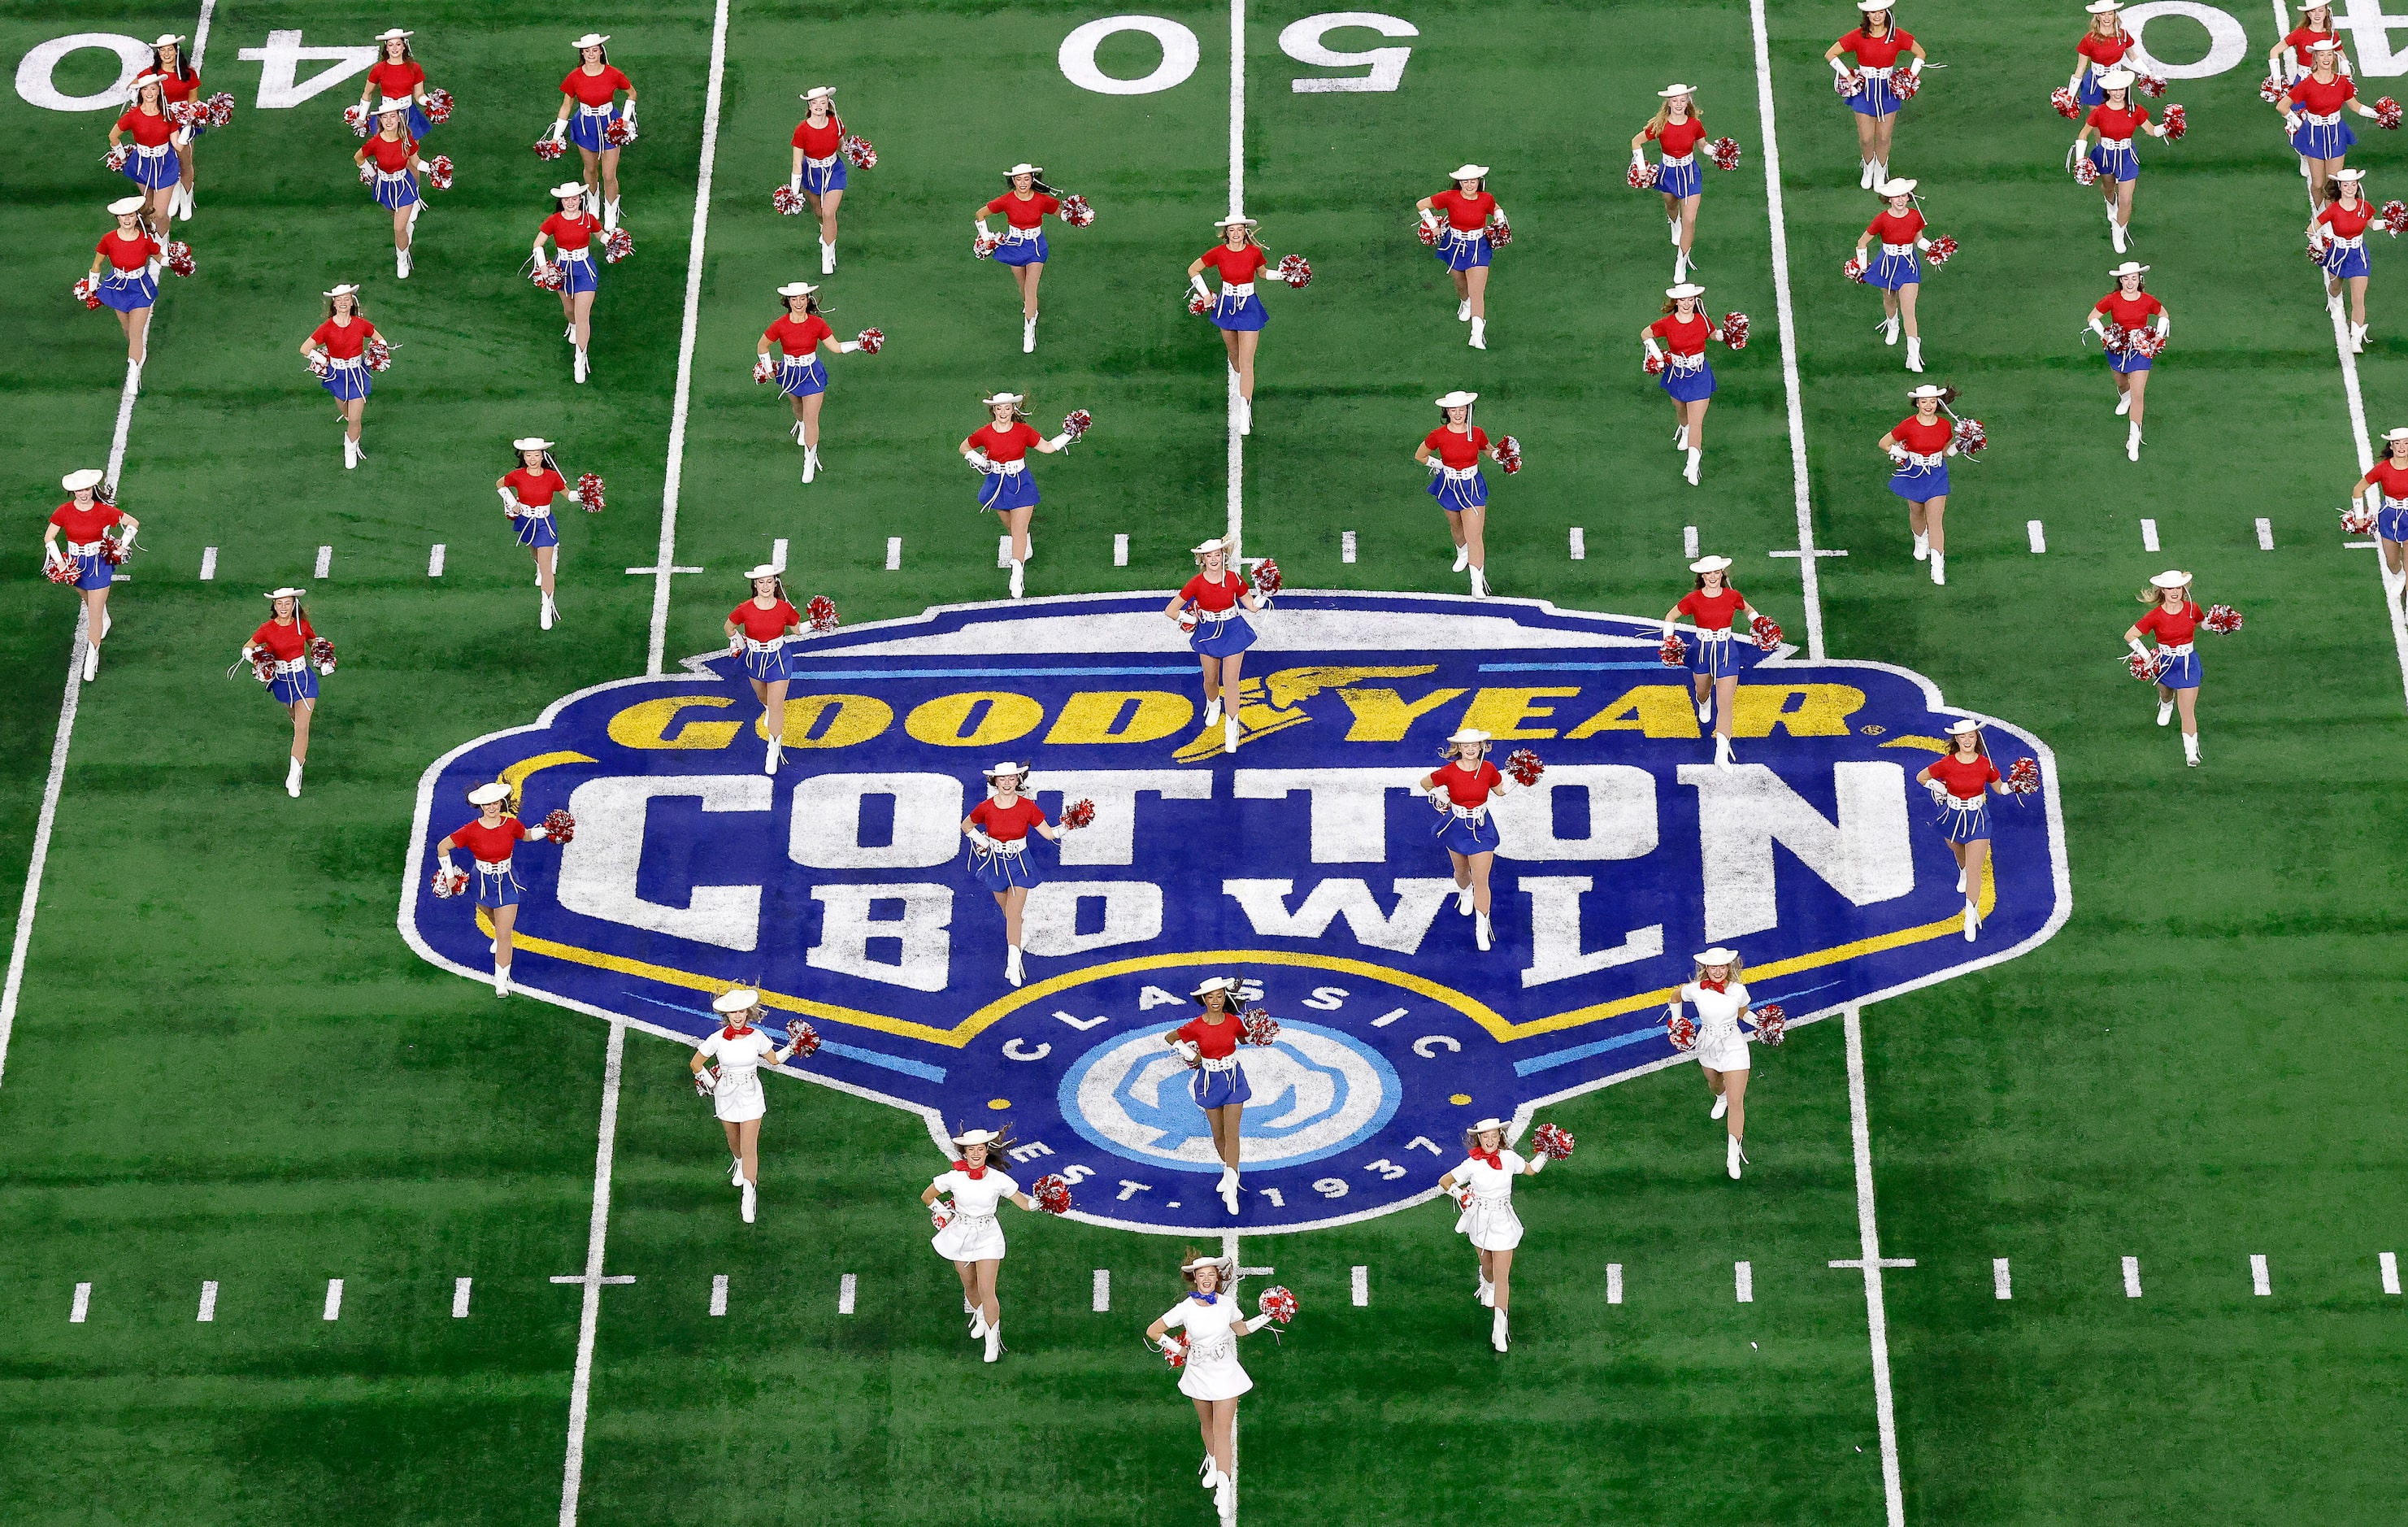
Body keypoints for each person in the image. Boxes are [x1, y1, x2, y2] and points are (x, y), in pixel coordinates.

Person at [1145, 1251, 1283, 1512]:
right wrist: (1179, 1349)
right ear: (1194, 1279)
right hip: (1198, 1372)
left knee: (1222, 1430)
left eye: (1211, 1275)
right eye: (1201, 1275)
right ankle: (1211, 1459)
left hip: (1225, 1372)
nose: (1207, 1280)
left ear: (1217, 1277)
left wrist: (1269, 1315)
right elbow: (1154, 1331)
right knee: (1207, 1425)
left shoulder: (1227, 1304)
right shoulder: (1184, 1308)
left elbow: (1240, 1330)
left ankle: (1224, 1491)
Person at [920, 1126, 1050, 1363]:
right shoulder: (953, 1177)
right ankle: (980, 1315)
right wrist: (945, 1213)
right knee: (969, 1283)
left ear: (987, 1151)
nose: (977, 1154)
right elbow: (927, 1197)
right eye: (972, 1150)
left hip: (988, 1235)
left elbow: (1023, 1203)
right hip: (960, 1232)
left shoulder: (998, 1179)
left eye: (981, 1149)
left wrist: (1043, 1202)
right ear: (965, 1152)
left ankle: (992, 1342)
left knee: (987, 1290)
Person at [688, 988, 812, 1224]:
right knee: (735, 1144)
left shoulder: (757, 1037)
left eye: (742, 1011)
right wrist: (710, 1082)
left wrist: (794, 1047)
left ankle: (748, 1194)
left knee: (749, 1146)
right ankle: (738, 1163)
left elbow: (773, 1060)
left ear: (748, 1013)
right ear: (727, 1014)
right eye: (733, 1011)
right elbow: (696, 1063)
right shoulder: (717, 1039)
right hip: (725, 1095)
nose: (737, 1016)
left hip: (751, 1096)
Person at [433, 780, 567, 996]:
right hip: (481, 883)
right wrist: (449, 876)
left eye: (495, 803)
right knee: (490, 914)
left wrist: (547, 830)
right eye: (487, 804)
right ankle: (499, 937)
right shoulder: (471, 830)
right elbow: (443, 847)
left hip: (507, 882)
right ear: (481, 807)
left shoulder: (510, 824)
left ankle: (501, 983)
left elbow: (526, 835)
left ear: (501, 802)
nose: (492, 807)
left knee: (504, 934)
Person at [1435, 1118, 1553, 1351]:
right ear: (1478, 1138)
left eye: (1493, 1135)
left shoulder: (1509, 1158)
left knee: (1502, 1277)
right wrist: (1462, 1196)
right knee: (1488, 1268)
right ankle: (1485, 1280)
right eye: (1484, 1136)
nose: (1489, 1140)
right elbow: (1444, 1181)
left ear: (1500, 1136)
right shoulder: (1471, 1164)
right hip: (1480, 1222)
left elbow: (1529, 1170)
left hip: (1503, 1223)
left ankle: (1500, 1329)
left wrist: (1547, 1152)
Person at [961, 393, 1083, 598]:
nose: (1003, 412)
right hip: (997, 484)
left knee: (1018, 529)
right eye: (999, 408)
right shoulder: (984, 433)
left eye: (1007, 408)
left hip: (1021, 483)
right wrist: (981, 462)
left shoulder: (1023, 431)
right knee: (1011, 527)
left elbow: (1047, 447)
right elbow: (964, 447)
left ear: (1013, 410)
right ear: (993, 411)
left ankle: (1016, 574)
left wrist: (1069, 434)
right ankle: (1025, 545)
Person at [958, 761, 1065, 988]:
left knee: (1014, 914)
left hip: (1020, 865)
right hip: (995, 864)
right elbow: (966, 825)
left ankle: (1013, 964)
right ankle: (1017, 942)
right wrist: (983, 842)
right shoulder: (985, 807)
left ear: (1018, 780)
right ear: (995, 781)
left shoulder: (1027, 807)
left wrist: (1070, 825)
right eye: (1003, 779)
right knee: (1009, 913)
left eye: (1011, 779)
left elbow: (1049, 833)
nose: (1007, 783)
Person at [1668, 946, 1771, 1178]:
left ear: (1728, 967)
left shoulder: (1738, 990)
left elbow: (1744, 1013)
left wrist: (1763, 1024)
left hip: (1734, 1045)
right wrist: (1677, 1024)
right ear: (1706, 968)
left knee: (1737, 1101)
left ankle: (1733, 1155)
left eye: (1722, 966)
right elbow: (1675, 997)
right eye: (1713, 967)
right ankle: (1719, 1096)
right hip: (1707, 1045)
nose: (1717, 971)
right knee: (1715, 1083)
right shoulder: (1696, 990)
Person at [756, 281, 872, 483]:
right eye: (794, 299)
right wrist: (768, 369)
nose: (799, 302)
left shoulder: (817, 324)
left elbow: (835, 347)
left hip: (812, 374)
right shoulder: (780, 325)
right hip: (790, 373)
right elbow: (762, 346)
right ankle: (799, 425)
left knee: (812, 419)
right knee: (797, 408)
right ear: (788, 301)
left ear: (807, 300)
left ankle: (809, 462)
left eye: (802, 298)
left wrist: (860, 344)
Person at [1420, 729, 1525, 952]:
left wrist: (1520, 778)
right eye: (1465, 746)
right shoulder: (1449, 771)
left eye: (1474, 745)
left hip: (1482, 828)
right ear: (1459, 748)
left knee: (1481, 879)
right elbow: (1425, 783)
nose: (1470, 749)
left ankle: (1481, 928)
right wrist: (1442, 797)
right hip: (1456, 826)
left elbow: (1500, 791)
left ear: (1481, 746)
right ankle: (1465, 893)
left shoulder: (1488, 769)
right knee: (1461, 872)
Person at [1163, 977, 1259, 1214]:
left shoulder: (1233, 1021)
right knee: (1219, 1136)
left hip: (1234, 1080)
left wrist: (1258, 1033)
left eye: (1219, 995)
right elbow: (1170, 1038)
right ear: (1204, 999)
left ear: (1225, 997)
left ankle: (1232, 1189)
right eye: (1211, 997)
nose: (1216, 1001)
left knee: (1232, 1133)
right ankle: (1228, 1175)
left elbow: (1243, 1039)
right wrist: (1192, 1055)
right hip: (1208, 1082)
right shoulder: (1195, 1026)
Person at [1163, 537, 1268, 755]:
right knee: (1210, 679)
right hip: (1208, 633)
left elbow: (1251, 606)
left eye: (1217, 555)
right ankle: (1213, 704)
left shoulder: (1234, 579)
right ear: (1203, 559)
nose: (1214, 559)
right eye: (1209, 556)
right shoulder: (1196, 583)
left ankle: (1232, 729)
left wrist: (1265, 593)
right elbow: (1171, 610)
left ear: (1223, 557)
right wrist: (1190, 619)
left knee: (1231, 682)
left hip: (1233, 632)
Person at [1662, 555, 1767, 769]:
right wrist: (1668, 640)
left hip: (1727, 650)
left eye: (1716, 572)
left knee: (1726, 703)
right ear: (1702, 575)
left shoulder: (1732, 595)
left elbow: (1747, 609)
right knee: (1703, 690)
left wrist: (1761, 624)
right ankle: (1703, 701)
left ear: (1722, 574)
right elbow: (1670, 617)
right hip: (1701, 649)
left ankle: (1721, 754)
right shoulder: (1693, 599)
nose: (1713, 577)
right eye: (1708, 573)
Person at [1913, 718, 2011, 940]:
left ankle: (1970, 917)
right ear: (1956, 739)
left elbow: (2000, 789)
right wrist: (1939, 787)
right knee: (1958, 851)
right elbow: (1921, 777)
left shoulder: (1986, 764)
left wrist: (2015, 786)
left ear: (1977, 738)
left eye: (1971, 736)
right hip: (1952, 815)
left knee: (1976, 869)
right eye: (1962, 736)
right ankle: (1963, 871)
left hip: (1978, 818)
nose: (1967, 740)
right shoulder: (1947, 763)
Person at [41, 468, 138, 683]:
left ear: (92, 489)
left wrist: (122, 545)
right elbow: (49, 537)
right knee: (88, 600)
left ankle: (92, 655)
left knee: (93, 616)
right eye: (78, 490)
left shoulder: (104, 511)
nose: (83, 494)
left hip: (99, 565)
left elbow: (133, 523)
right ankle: (104, 617)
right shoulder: (64, 511)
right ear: (72, 492)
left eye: (86, 489)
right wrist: (60, 562)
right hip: (76, 566)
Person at [1189, 212, 1281, 435]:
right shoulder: (1218, 253)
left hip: (1249, 306)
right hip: (1227, 306)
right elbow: (1194, 269)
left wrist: (1285, 275)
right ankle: (1242, 386)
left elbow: (1262, 274)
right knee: (1235, 357)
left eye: (1240, 229)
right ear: (1226, 234)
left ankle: (1244, 409)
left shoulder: (1254, 253)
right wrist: (1205, 294)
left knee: (1247, 361)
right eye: (1232, 230)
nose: (1236, 234)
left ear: (1245, 232)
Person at [1416, 391, 1513, 597]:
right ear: (1447, 412)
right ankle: (1462, 552)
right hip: (1449, 486)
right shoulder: (1438, 435)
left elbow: (1487, 449)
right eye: (1454, 410)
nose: (1458, 413)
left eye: (1462, 409)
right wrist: (1440, 466)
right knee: (1456, 527)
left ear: (1468, 411)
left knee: (1474, 536)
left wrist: (1499, 456)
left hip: (1472, 486)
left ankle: (1477, 584)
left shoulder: (1477, 432)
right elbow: (1420, 455)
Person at [2072, 70, 2176, 255]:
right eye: (2115, 90)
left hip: (2127, 157)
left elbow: (2151, 131)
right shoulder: (2100, 112)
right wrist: (2080, 161)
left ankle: (2118, 233)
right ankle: (2110, 203)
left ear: (2126, 89)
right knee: (2108, 188)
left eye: (2122, 89)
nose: (2119, 93)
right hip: (2104, 155)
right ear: (2108, 91)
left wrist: (2168, 126)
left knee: (2126, 200)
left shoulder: (2135, 110)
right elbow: (2083, 134)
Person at [1826, 2, 1926, 189]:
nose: (1877, 16)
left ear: (1886, 13)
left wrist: (1910, 77)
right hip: (1864, 91)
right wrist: (1848, 76)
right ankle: (1868, 168)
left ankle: (1880, 171)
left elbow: (1920, 53)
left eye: (1881, 12)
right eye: (1873, 13)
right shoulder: (1857, 36)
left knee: (1884, 137)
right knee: (1865, 138)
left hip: (1888, 90)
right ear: (1867, 15)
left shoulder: (1896, 35)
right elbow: (1831, 54)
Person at [239, 587, 326, 797]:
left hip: (304, 679)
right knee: (297, 721)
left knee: (302, 727)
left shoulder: (302, 626)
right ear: (274, 606)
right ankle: (300, 762)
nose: (284, 607)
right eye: (279, 604)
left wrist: (323, 653)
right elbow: (247, 647)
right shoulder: (267, 628)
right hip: (281, 682)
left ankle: (293, 776)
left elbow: (315, 643)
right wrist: (257, 658)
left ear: (294, 604)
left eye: (287, 603)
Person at [977, 163, 1073, 353]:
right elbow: (980, 214)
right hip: (1013, 246)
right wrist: (986, 239)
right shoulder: (1006, 200)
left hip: (1036, 247)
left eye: (1026, 179)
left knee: (1030, 290)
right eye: (1018, 179)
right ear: (1013, 181)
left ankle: (1028, 332)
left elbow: (1059, 213)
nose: (1023, 183)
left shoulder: (1041, 200)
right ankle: (1031, 309)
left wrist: (1075, 216)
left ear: (1032, 180)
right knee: (1023, 288)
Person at [498, 437, 590, 629]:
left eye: (536, 455)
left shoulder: (552, 477)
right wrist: (511, 502)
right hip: (525, 521)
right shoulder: (517, 475)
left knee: (547, 569)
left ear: (543, 456)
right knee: (534, 552)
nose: (532, 459)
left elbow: (568, 495)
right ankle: (540, 565)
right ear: (524, 456)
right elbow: (500, 484)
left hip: (545, 523)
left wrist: (585, 494)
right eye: (529, 455)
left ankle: (546, 607)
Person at [547, 33, 636, 232]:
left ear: (601, 51)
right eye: (587, 51)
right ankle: (593, 205)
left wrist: (625, 122)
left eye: (594, 50)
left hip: (610, 125)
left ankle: (611, 212)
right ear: (582, 53)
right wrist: (556, 136)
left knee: (609, 174)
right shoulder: (575, 76)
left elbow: (632, 93)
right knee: (590, 169)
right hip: (585, 126)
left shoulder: (613, 73)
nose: (591, 54)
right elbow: (566, 106)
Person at [2123, 569, 2211, 766]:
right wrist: (2148, 657)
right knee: (2166, 693)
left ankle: (2191, 753)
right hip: (2164, 662)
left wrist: (2217, 623)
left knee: (2187, 711)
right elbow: (2130, 635)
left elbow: (2202, 624)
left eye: (2178, 587)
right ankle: (2165, 704)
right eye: (2170, 588)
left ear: (2183, 589)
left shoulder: (2192, 608)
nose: (2175, 592)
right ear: (2162, 590)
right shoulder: (2155, 616)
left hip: (2188, 663)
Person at [1644, 282, 1728, 485]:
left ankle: (1692, 465)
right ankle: (1684, 429)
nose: (1687, 303)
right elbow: (1645, 333)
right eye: (1683, 300)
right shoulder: (1668, 323)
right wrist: (1657, 355)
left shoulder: (1702, 321)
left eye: (1691, 299)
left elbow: (1713, 334)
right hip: (1676, 374)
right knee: (1681, 410)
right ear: (1676, 301)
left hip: (1699, 375)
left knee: (1696, 421)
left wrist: (1729, 334)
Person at [1878, 383, 1960, 584]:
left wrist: (1962, 445)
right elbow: (1884, 444)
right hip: (1914, 474)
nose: (1929, 405)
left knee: (1935, 520)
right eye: (1924, 402)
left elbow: (1944, 452)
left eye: (1932, 402)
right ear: (1917, 403)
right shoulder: (1908, 425)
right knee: (1916, 511)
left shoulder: (1944, 425)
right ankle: (1920, 541)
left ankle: (1938, 567)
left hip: (1937, 475)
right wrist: (1905, 455)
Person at [2087, 260, 2167, 462]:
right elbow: (2093, 317)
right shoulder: (2112, 299)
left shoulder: (2148, 300)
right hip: (2117, 346)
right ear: (2120, 280)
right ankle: (2125, 396)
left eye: (2133, 278)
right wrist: (2105, 335)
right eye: (2125, 279)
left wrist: (2158, 336)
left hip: (2140, 349)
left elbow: (2163, 315)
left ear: (2139, 279)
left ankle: (2134, 437)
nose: (2130, 283)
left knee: (2138, 394)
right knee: (2122, 381)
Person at [725, 567, 802, 774]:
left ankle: (773, 748)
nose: (766, 586)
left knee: (777, 706)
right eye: (761, 582)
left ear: (775, 583)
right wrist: (738, 643)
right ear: (755, 585)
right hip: (754, 659)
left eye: (769, 582)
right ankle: (767, 709)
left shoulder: (784, 608)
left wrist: (820, 622)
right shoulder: (745, 608)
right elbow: (729, 627)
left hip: (779, 659)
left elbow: (798, 630)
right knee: (765, 699)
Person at [1416, 165, 1504, 346]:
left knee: (1477, 291)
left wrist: (1500, 219)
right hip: (1454, 245)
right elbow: (1422, 205)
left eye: (1473, 181)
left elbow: (1495, 208)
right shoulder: (1450, 197)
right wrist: (1433, 225)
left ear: (1479, 182)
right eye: (1466, 181)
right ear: (1460, 183)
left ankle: (1477, 334)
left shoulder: (1486, 198)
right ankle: (1465, 303)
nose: (1470, 185)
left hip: (1479, 247)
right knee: (1460, 283)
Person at [2284, 41, 2381, 207]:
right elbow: (2283, 106)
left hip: (2336, 132)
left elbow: (2355, 106)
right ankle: (2318, 214)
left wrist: (2378, 114)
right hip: (2314, 134)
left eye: (2329, 54)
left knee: (2332, 184)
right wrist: (2299, 123)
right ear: (2315, 57)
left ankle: (2328, 222)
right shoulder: (2307, 83)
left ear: (2334, 57)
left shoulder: (2342, 82)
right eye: (2322, 55)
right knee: (2317, 184)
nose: (2326, 58)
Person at [1630, 85, 1710, 282]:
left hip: (1690, 174)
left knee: (1690, 220)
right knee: (1671, 203)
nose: (1679, 104)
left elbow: (1703, 145)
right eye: (1675, 101)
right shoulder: (1661, 125)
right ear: (1668, 103)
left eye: (1683, 100)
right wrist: (1641, 167)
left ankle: (1681, 262)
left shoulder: (1694, 125)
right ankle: (1674, 224)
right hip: (1668, 172)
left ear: (1688, 102)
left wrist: (1717, 152)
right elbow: (1636, 142)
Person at [1854, 177, 1934, 372]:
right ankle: (1892, 325)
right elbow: (1862, 242)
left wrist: (1934, 249)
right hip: (1887, 264)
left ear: (1908, 197)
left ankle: (1913, 356)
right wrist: (1862, 267)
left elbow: (1918, 240)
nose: (1900, 199)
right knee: (1889, 299)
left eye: (1904, 195)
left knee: (1909, 309)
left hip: (1909, 265)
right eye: (1896, 196)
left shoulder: (1915, 216)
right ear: (1888, 198)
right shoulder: (1882, 219)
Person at [298, 285, 380, 469]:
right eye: (339, 299)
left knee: (354, 419)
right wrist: (321, 359)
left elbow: (379, 339)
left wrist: (376, 354)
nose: (343, 302)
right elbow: (305, 349)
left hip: (357, 374)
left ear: (352, 302)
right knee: (346, 412)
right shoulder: (326, 327)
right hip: (336, 375)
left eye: (347, 299)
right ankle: (351, 429)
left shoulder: (361, 324)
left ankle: (350, 448)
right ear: (333, 303)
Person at [354, 102, 437, 279]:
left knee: (398, 228)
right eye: (385, 117)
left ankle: (402, 259)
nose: (389, 120)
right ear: (380, 120)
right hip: (384, 186)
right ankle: (406, 232)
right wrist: (372, 175)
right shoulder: (375, 142)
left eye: (393, 116)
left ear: (399, 117)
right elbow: (359, 157)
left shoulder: (407, 137)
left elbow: (415, 161)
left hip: (404, 185)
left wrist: (431, 169)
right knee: (397, 220)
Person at [534, 181, 606, 382]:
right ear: (562, 201)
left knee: (583, 315)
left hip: (585, 270)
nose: (571, 202)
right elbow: (538, 243)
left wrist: (613, 242)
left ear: (580, 199)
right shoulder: (554, 221)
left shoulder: (588, 219)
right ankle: (572, 325)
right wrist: (543, 266)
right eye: (567, 199)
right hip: (562, 270)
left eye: (574, 198)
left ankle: (580, 360)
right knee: (570, 310)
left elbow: (601, 236)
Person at [85, 196, 161, 371]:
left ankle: (134, 371)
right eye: (123, 215)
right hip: (118, 287)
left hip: (140, 288)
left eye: (131, 215)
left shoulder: (145, 239)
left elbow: (159, 257)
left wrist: (176, 260)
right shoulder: (108, 239)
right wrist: (92, 287)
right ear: (117, 218)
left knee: (135, 334)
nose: (127, 219)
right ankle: (137, 352)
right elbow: (97, 264)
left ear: (137, 217)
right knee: (127, 330)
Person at [108, 72, 185, 233]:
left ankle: (162, 245)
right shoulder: (133, 115)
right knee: (148, 208)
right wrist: (123, 158)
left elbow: (177, 146)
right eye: (145, 89)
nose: (149, 93)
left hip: (165, 165)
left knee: (160, 213)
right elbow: (113, 136)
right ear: (141, 92)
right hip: (141, 164)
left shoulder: (168, 115)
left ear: (159, 91)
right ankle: (150, 235)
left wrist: (189, 125)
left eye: (153, 89)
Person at [2313, 167, 2379, 351]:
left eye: (2353, 184)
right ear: (2340, 187)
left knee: (2358, 298)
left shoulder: (2364, 206)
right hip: (2338, 254)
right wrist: (2320, 247)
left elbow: (2374, 225)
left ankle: (2356, 339)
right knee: (2335, 287)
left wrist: (2393, 223)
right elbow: (2311, 230)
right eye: (2346, 185)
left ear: (2357, 186)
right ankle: (2334, 302)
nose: (2350, 188)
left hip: (2358, 255)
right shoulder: (2333, 209)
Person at [789, 86, 850, 274]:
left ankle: (827, 253)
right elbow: (797, 163)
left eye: (822, 102)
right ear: (809, 105)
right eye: (814, 103)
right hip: (812, 173)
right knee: (819, 212)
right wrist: (793, 192)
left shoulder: (836, 123)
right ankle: (825, 232)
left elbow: (841, 146)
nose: (818, 106)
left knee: (829, 213)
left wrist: (856, 152)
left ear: (828, 105)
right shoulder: (802, 130)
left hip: (834, 171)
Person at [2346, 424, 2408, 606]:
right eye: (2397, 443)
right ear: (2391, 446)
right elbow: (2358, 489)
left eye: (2405, 443)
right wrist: (2359, 517)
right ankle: (2399, 577)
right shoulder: (2383, 469)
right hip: (2389, 516)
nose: (2401, 447)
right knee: (2392, 562)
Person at [150, 33, 206, 221]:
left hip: (184, 122)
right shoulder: (151, 74)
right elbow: (137, 89)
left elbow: (193, 101)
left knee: (185, 161)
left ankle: (187, 198)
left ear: (176, 51)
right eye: (162, 50)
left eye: (170, 49)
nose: (166, 53)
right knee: (168, 162)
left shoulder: (188, 73)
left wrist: (188, 120)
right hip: (161, 122)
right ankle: (173, 196)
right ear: (158, 53)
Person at [359, 28, 439, 142]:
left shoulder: (415, 68)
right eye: (391, 45)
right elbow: (367, 93)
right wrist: (361, 118)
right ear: (386, 48)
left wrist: (430, 102)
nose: (395, 48)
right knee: (387, 154)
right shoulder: (379, 69)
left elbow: (419, 95)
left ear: (404, 46)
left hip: (409, 114)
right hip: (387, 115)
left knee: (411, 154)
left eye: (398, 44)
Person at [2070, 1, 2135, 111]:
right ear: (2097, 17)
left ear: (2115, 15)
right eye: (2103, 14)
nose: (2107, 17)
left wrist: (2150, 75)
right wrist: (2070, 95)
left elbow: (2133, 57)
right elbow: (2080, 68)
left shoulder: (2123, 35)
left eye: (2110, 13)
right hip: (2095, 81)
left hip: (2117, 80)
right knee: (2096, 118)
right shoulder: (2088, 39)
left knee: (2117, 114)